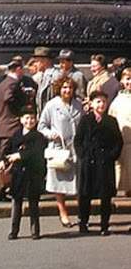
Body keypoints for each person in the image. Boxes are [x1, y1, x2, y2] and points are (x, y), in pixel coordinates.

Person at [74, 91, 123, 235]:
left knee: (105, 194)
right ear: (91, 104)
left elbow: (118, 141)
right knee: (85, 194)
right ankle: (83, 222)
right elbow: (78, 140)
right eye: (98, 102)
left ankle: (104, 225)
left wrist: (111, 156)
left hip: (104, 161)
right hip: (89, 160)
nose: (101, 105)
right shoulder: (86, 120)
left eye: (103, 102)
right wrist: (83, 154)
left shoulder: (111, 121)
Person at [38, 76, 83, 227]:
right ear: (59, 89)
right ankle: (62, 211)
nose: (67, 91)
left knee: (78, 183)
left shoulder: (78, 105)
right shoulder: (52, 105)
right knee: (59, 182)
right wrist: (51, 134)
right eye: (64, 88)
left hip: (75, 148)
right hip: (59, 148)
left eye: (70, 88)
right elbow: (41, 126)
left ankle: (82, 213)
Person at [0, 108, 47, 240]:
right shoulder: (16, 135)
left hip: (33, 173)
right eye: (26, 118)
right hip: (18, 174)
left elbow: (36, 152)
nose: (29, 121)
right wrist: (3, 161)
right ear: (21, 120)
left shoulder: (38, 137)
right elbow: (7, 149)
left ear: (36, 120)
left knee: (33, 203)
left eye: (32, 118)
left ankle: (35, 230)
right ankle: (14, 230)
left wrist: (19, 155)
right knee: (16, 202)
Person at [108, 67, 131, 196]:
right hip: (123, 143)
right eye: (128, 79)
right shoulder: (117, 101)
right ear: (122, 81)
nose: (130, 82)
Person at [33, 46, 61, 113]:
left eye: (37, 61)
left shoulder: (56, 75)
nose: (35, 64)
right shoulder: (42, 76)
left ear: (45, 61)